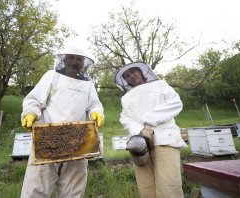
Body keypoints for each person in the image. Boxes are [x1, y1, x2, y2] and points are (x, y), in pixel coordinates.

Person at [19, 44, 105, 198]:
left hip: (78, 142)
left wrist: (97, 113)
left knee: (73, 191)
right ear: (64, 60)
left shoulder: (88, 84)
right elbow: (35, 100)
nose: (75, 61)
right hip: (48, 140)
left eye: (78, 59)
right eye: (71, 57)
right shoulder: (51, 76)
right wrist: (30, 113)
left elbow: (94, 105)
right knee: (36, 188)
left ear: (83, 63)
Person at [114, 61, 186, 198]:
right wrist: (140, 130)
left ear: (141, 72)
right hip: (139, 144)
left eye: (133, 72)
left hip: (165, 139)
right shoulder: (126, 97)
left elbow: (176, 103)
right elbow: (125, 119)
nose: (131, 76)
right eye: (127, 76)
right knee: (145, 186)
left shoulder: (161, 85)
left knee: (169, 186)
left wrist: (148, 119)